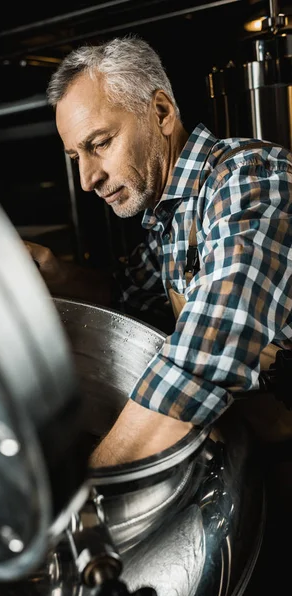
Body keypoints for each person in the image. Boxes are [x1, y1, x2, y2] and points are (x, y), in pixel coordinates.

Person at [24, 35, 292, 468]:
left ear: (162, 113)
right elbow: (129, 297)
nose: (87, 179)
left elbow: (208, 354)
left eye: (99, 144)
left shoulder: (248, 180)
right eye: (76, 156)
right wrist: (58, 274)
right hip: (259, 452)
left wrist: (91, 487)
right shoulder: (170, 214)